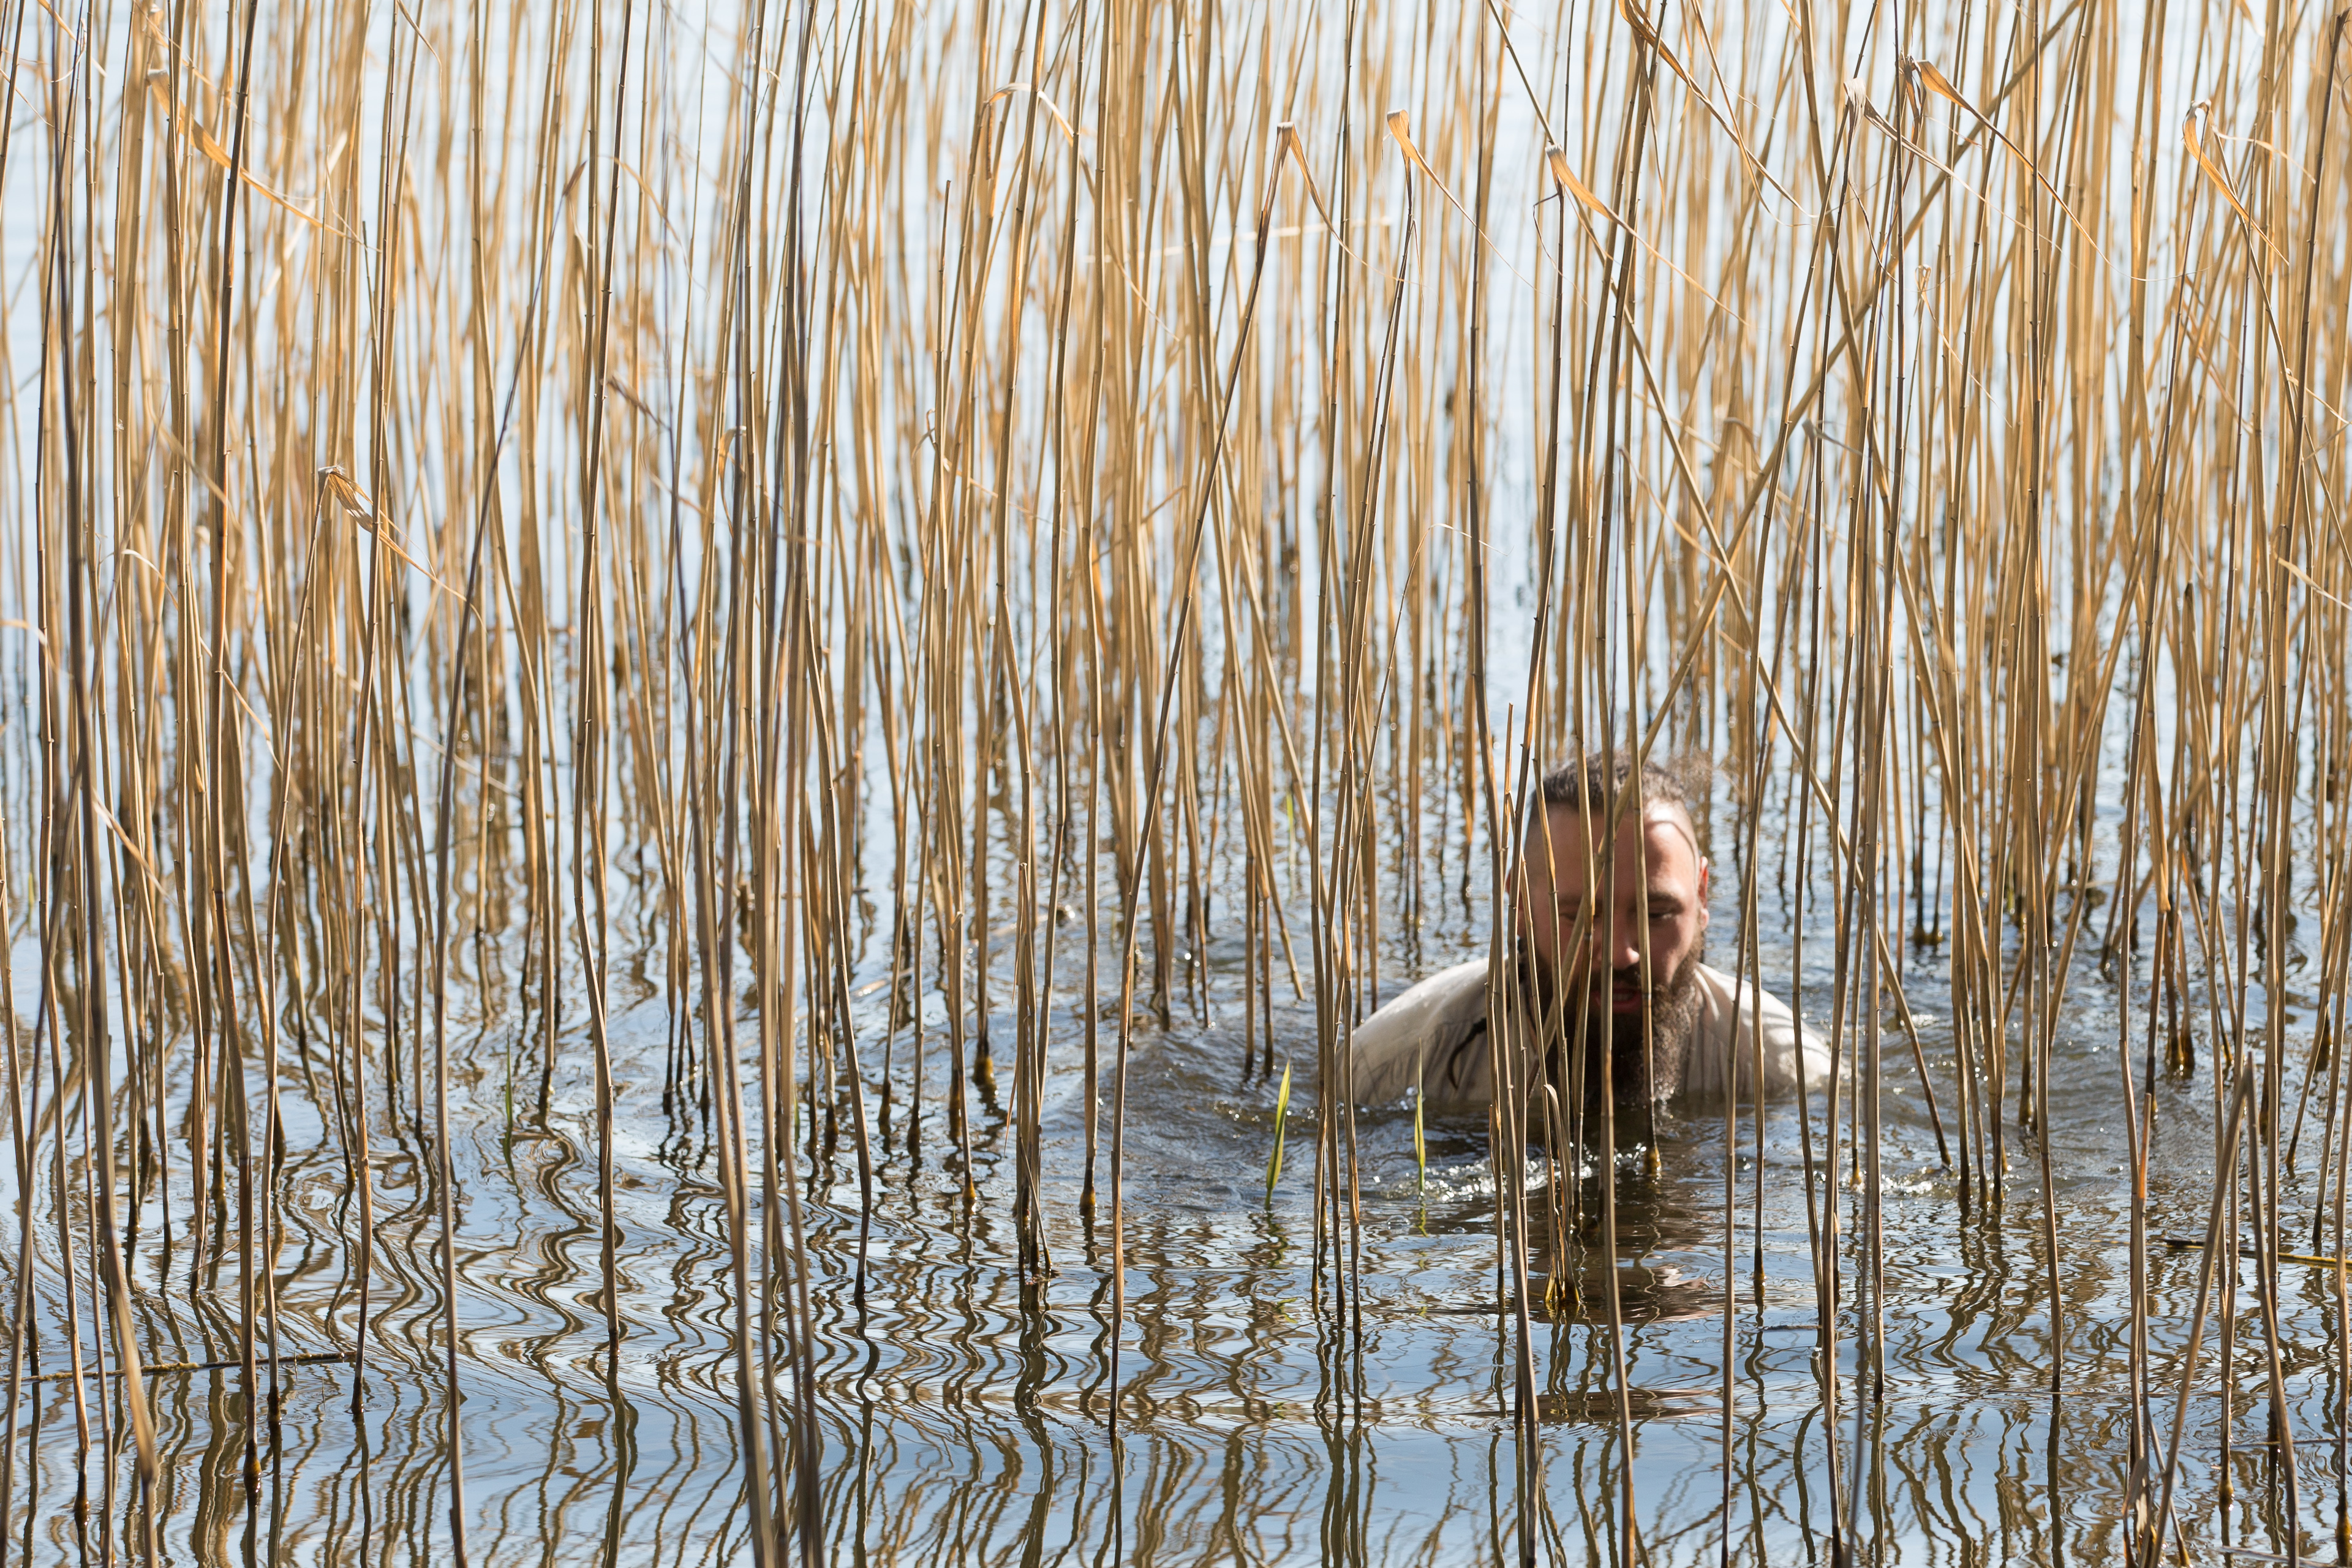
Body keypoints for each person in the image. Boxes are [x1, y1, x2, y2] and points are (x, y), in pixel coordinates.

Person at [1347, 753, 1830, 1116]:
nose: (1621, 955)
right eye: (1580, 917)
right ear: (1519, 903)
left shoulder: (1786, 1072)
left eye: (1656, 914)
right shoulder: (1391, 1066)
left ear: (1702, 896)